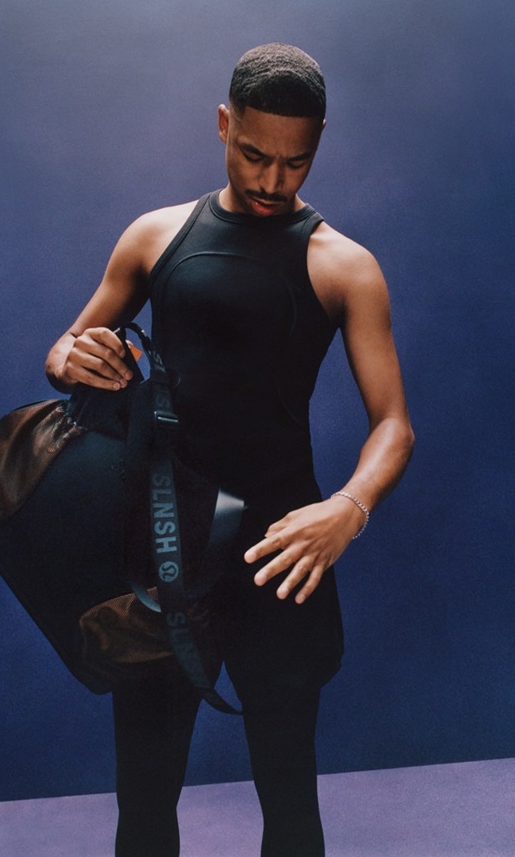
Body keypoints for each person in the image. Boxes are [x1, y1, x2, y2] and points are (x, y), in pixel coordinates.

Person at [46, 43, 414, 857]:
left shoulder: (346, 266)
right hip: (163, 549)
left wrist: (347, 511)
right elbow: (67, 346)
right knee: (144, 806)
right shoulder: (154, 235)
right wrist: (73, 357)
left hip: (282, 554)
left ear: (318, 143)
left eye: (295, 161)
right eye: (254, 154)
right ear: (223, 124)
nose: (272, 180)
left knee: (290, 805)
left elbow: (394, 424)